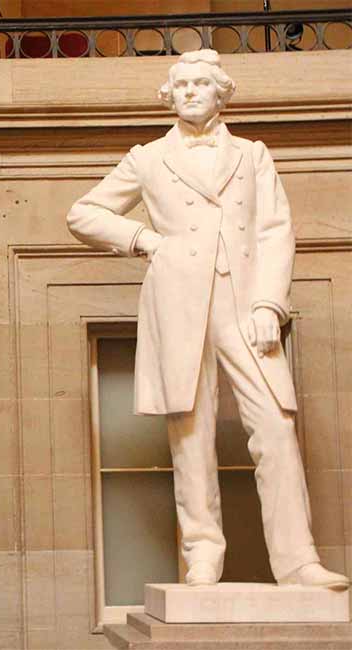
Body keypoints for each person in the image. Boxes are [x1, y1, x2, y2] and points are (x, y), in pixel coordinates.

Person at [67, 49, 347, 589]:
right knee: (189, 431)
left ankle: (297, 560)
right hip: (178, 304)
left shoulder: (252, 155)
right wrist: (145, 240)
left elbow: (274, 231)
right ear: (169, 95)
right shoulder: (147, 158)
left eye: (202, 83)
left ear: (222, 93)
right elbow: (83, 212)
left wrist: (269, 302)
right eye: (182, 84)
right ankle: (202, 554)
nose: (191, 91)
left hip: (243, 303)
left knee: (275, 426)